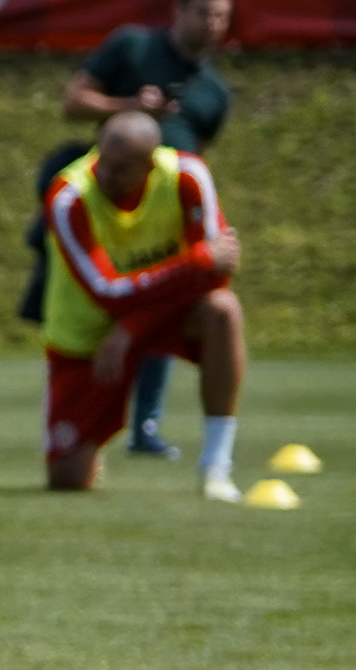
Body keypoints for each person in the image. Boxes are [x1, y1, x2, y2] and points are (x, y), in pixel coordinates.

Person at [45, 0, 236, 458]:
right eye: (202, 13)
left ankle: (163, 435)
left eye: (221, 15)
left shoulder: (214, 94)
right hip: (106, 218)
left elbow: (202, 159)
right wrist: (128, 105)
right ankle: (94, 419)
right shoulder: (132, 48)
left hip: (161, 216)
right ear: (178, 10)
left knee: (215, 307)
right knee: (104, 293)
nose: (211, 24)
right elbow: (73, 102)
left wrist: (195, 232)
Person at [37, 111, 248, 500]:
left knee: (222, 310)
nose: (106, 175)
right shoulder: (68, 196)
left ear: (149, 166)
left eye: (120, 169)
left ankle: (216, 466)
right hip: (89, 331)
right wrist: (197, 261)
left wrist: (132, 327)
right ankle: (91, 443)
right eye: (103, 162)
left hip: (156, 318)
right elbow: (106, 292)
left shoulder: (187, 176)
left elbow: (219, 277)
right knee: (67, 480)